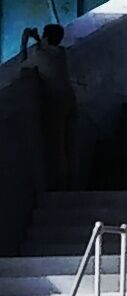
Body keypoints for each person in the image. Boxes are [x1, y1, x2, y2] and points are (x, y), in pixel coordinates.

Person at [26, 21, 75, 189]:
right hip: (69, 99)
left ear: (46, 37)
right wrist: (38, 38)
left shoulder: (41, 55)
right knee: (68, 144)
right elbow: (47, 49)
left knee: (57, 145)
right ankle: (69, 180)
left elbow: (23, 65)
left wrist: (26, 41)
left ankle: (60, 184)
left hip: (55, 103)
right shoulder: (61, 53)